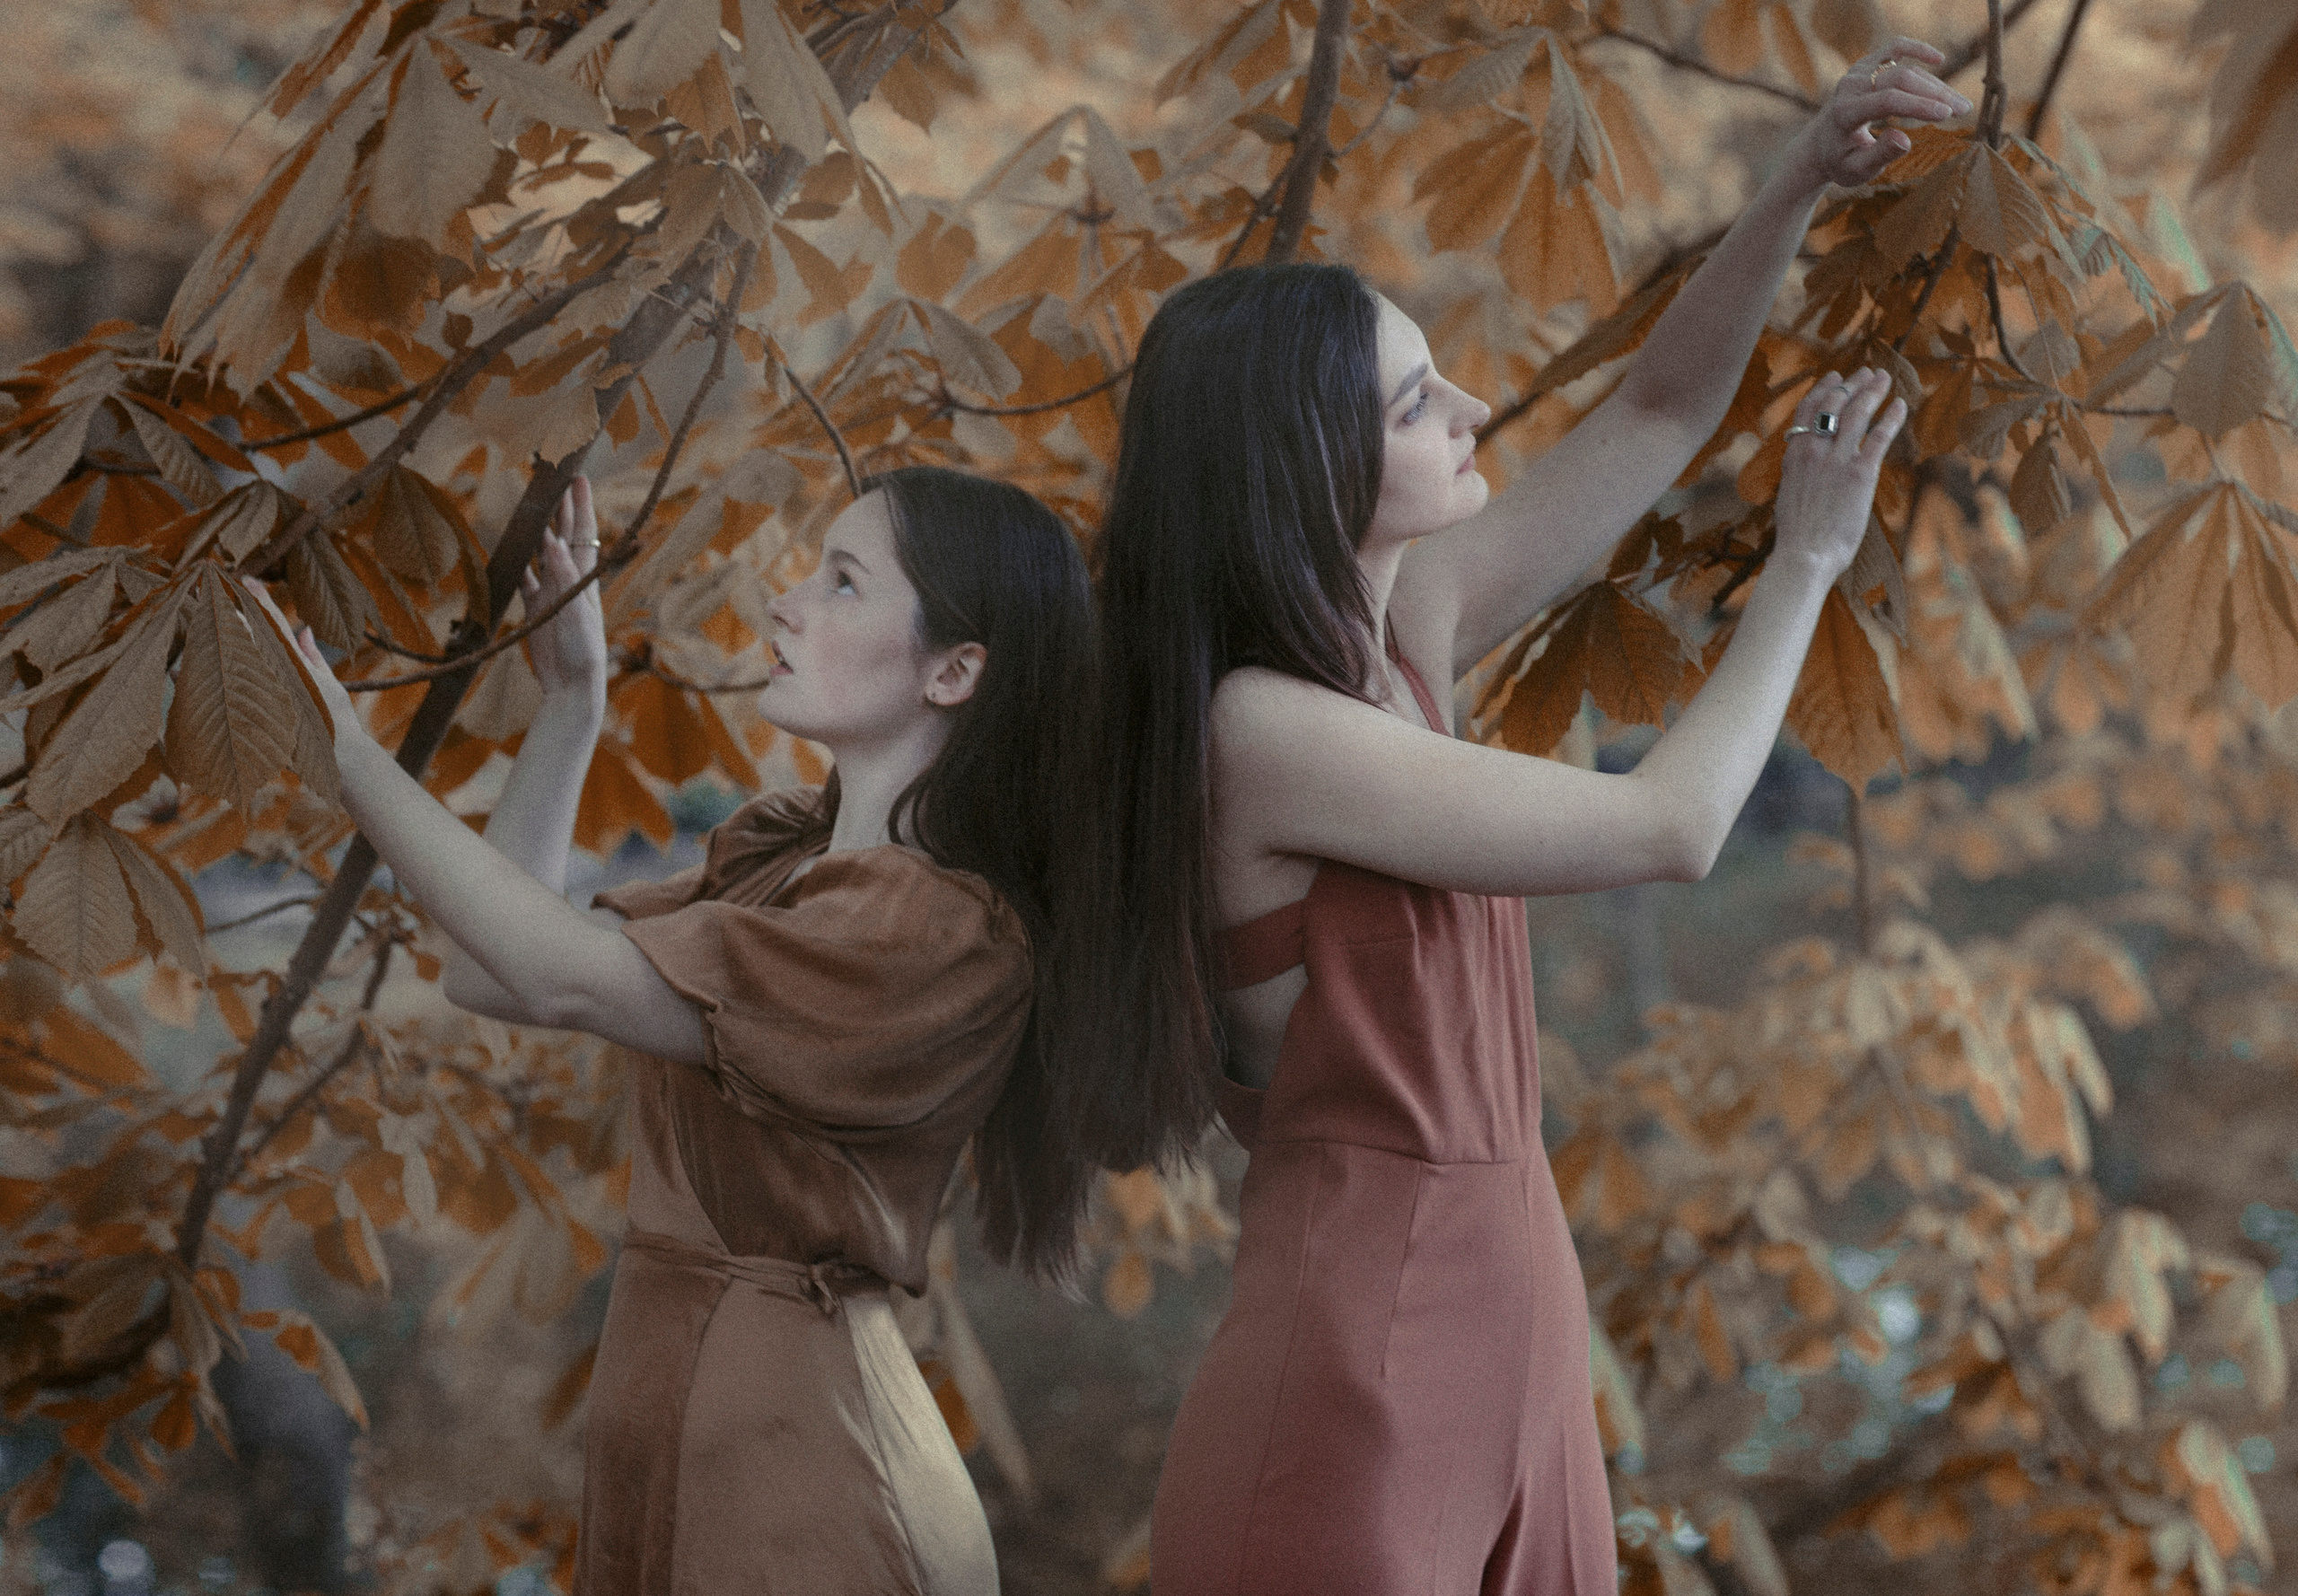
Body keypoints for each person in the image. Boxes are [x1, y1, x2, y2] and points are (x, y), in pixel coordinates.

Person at [1066, 40, 1971, 1596]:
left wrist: (1800, 179)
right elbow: (1674, 826)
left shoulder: (1401, 623)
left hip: (1514, 1313)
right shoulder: (1263, 731)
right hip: (1361, 1359)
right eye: (1422, 399)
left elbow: (1666, 405)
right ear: (1315, 460)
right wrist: (1804, 566)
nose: (1475, 405)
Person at [250, 464, 1097, 1596]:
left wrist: (350, 754)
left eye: (842, 582)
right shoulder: (781, 857)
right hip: (680, 1404)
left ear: (954, 669)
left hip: (803, 1455)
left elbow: (559, 981)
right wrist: (571, 707)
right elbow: (493, 973)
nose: (787, 604)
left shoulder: (934, 929)